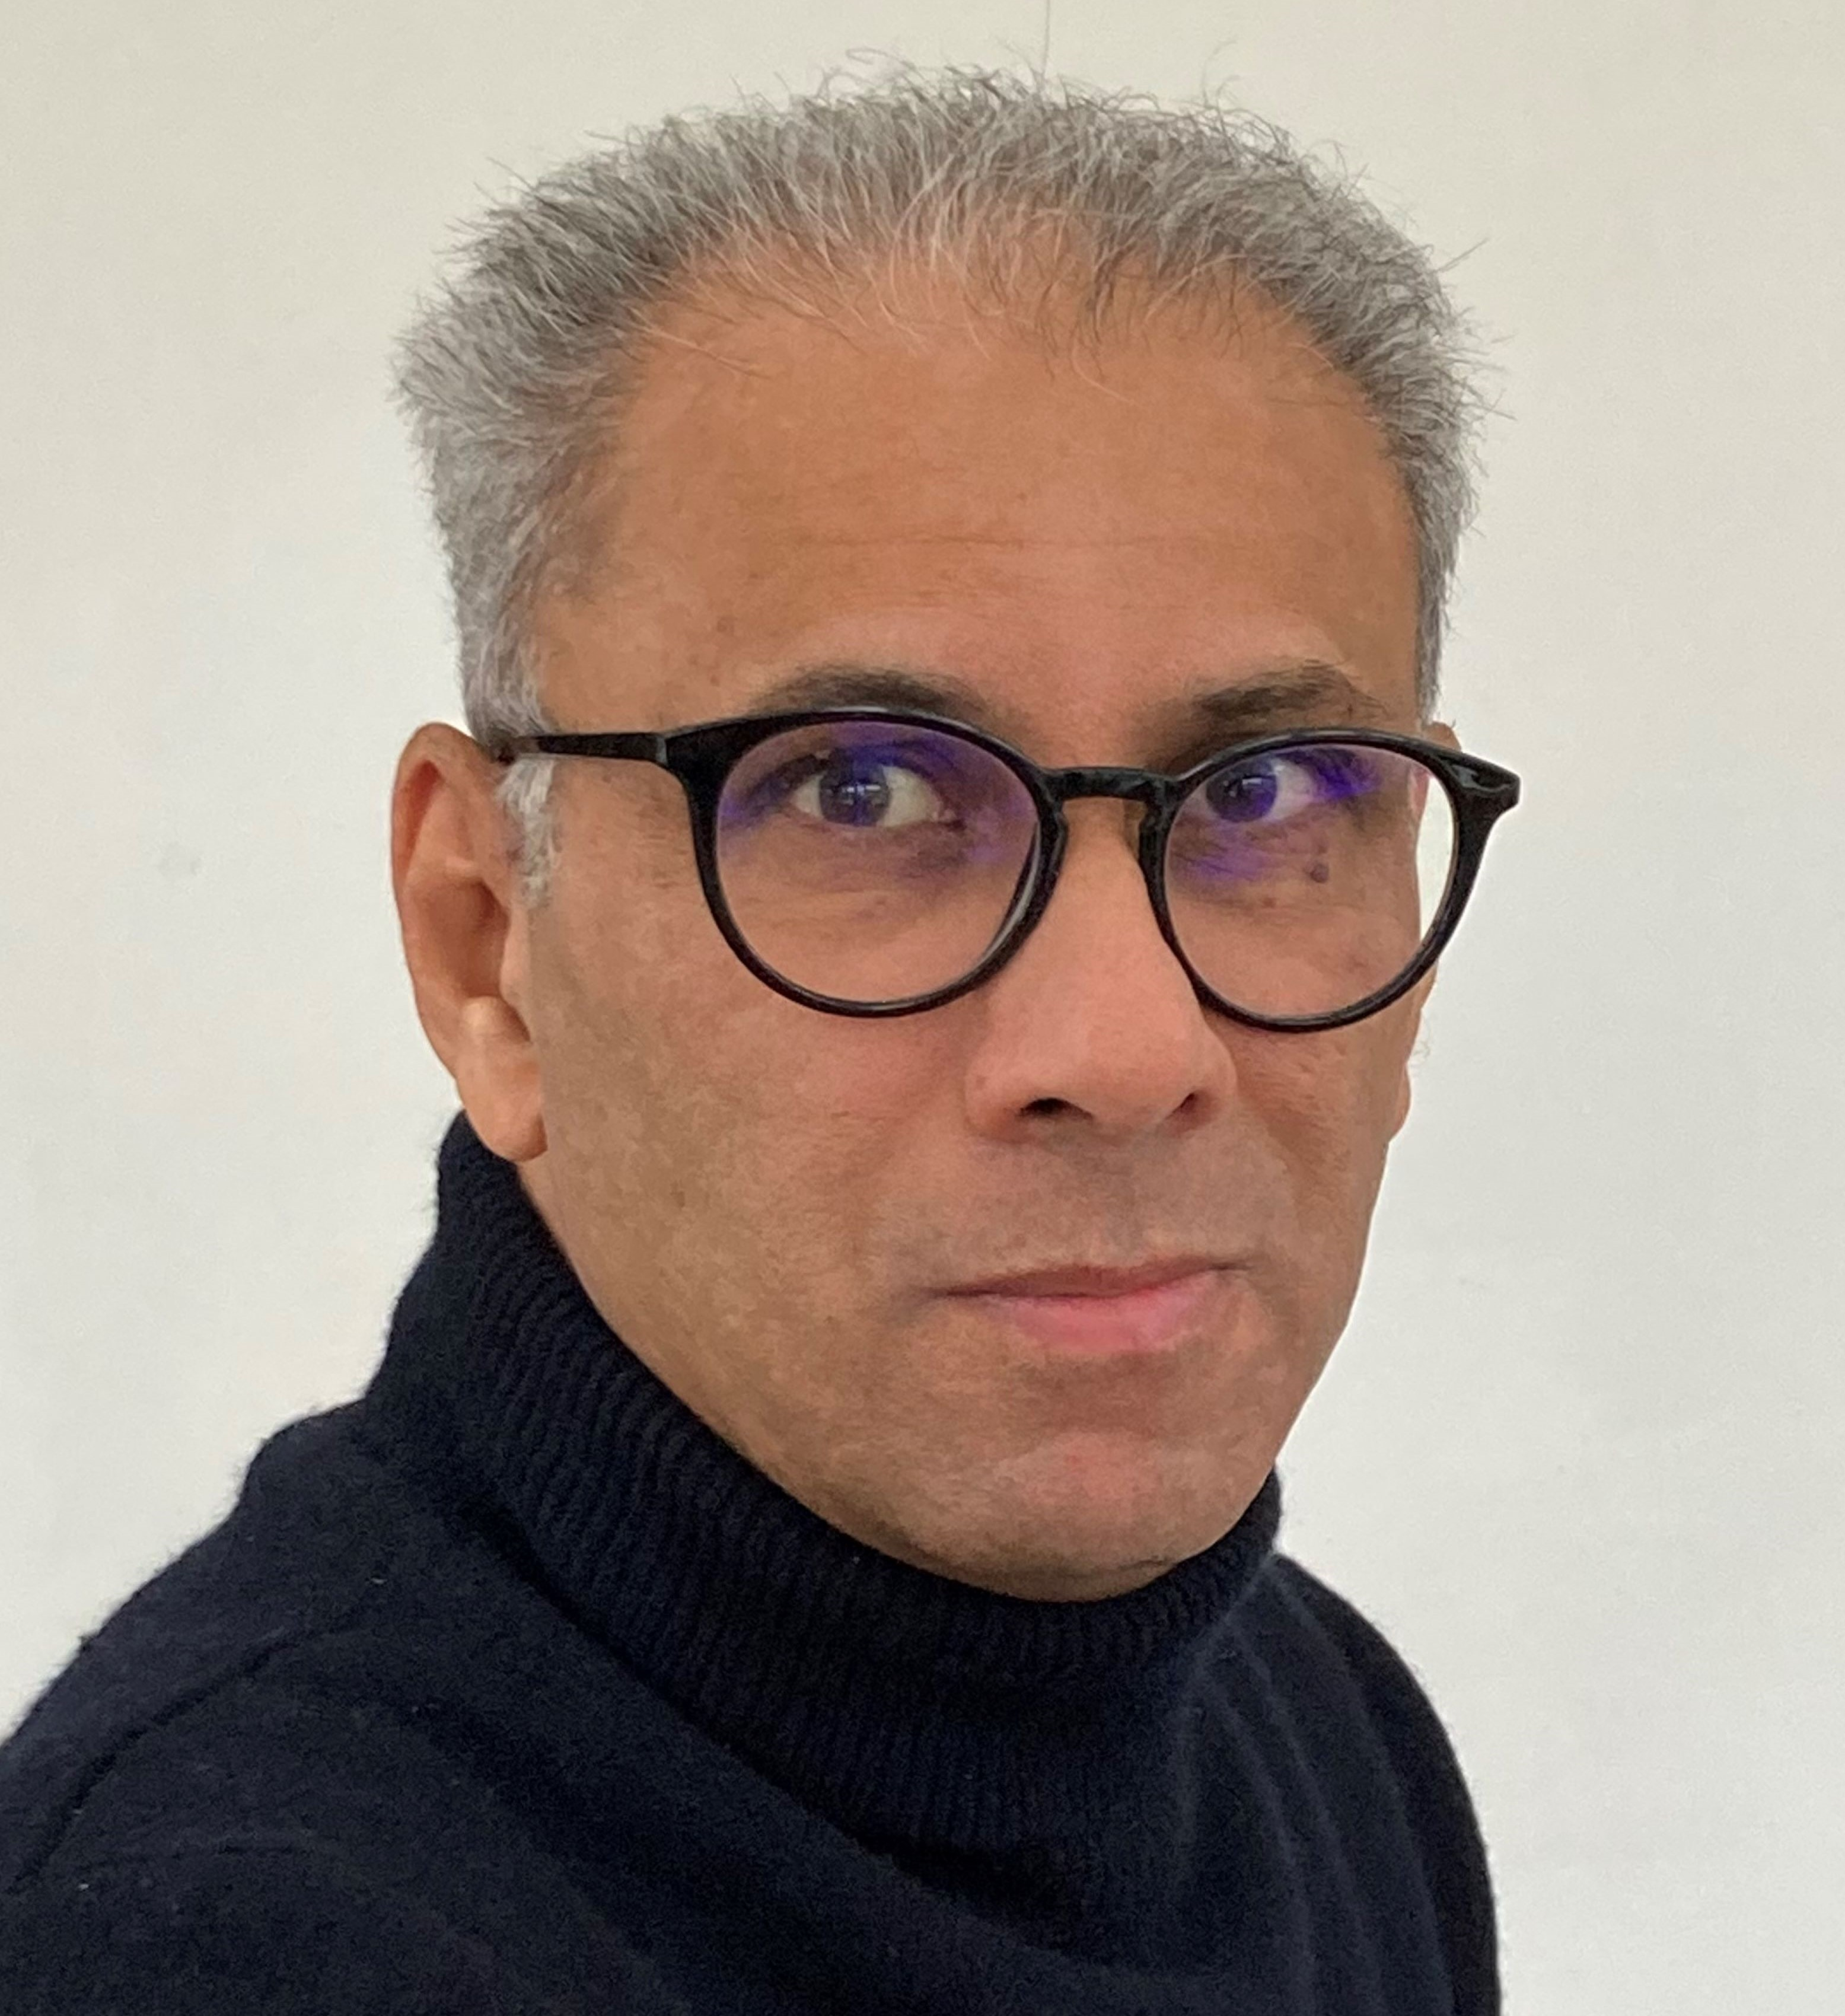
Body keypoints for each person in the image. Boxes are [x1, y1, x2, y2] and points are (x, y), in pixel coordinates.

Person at [0, 67, 1521, 2014]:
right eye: (860, 791)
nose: (1126, 1043)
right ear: (484, 941)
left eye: (1271, 792)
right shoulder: (227, 1941)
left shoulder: (1323, 1735)